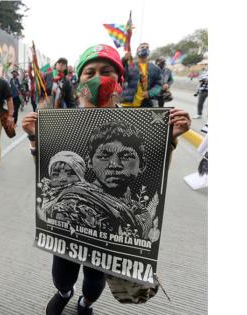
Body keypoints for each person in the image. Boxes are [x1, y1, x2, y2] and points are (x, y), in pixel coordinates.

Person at [22, 44, 191, 315]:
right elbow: (48, 177)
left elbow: (152, 179)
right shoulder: (62, 123)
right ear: (79, 82)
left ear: (119, 81)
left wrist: (168, 140)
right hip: (68, 226)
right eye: (90, 72)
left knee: (94, 278)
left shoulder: (140, 125)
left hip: (108, 233)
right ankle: (65, 293)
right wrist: (34, 139)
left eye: (106, 71)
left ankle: (85, 302)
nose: (98, 77)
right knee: (62, 274)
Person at [121, 43, 162, 108]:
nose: (145, 48)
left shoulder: (155, 68)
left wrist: (150, 93)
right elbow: (121, 76)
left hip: (145, 104)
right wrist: (124, 61)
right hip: (128, 103)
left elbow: (159, 85)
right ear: (137, 50)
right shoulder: (129, 65)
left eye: (147, 47)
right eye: (142, 47)